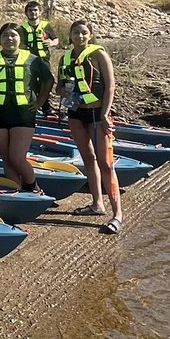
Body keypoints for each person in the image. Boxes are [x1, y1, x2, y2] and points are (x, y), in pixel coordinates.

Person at [0, 23, 54, 194]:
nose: (9, 39)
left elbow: (48, 80)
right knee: (7, 159)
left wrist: (40, 102)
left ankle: (33, 187)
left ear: (20, 39)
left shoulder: (33, 59)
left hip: (23, 115)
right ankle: (16, 193)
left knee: (17, 157)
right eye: (5, 35)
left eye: (13, 35)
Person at [58, 20, 123, 234]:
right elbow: (60, 86)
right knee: (88, 158)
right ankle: (97, 204)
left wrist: (105, 113)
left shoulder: (99, 55)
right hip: (76, 113)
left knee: (106, 163)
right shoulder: (65, 57)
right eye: (75, 33)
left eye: (84, 33)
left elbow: (110, 85)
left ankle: (117, 215)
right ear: (70, 35)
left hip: (97, 114)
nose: (79, 36)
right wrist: (63, 90)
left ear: (90, 35)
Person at [19, 0, 60, 112]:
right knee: (30, 82)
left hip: (44, 60)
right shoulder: (22, 29)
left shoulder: (45, 26)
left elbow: (56, 40)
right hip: (28, 61)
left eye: (35, 10)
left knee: (46, 81)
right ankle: (34, 104)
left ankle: (46, 105)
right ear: (26, 13)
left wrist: (51, 43)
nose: (33, 12)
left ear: (40, 12)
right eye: (30, 10)